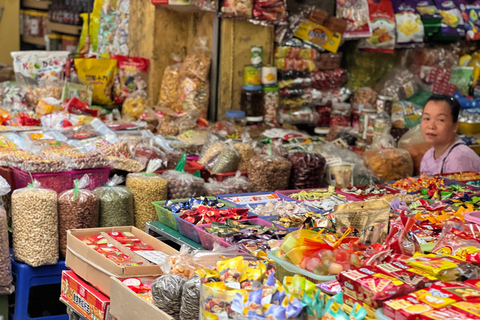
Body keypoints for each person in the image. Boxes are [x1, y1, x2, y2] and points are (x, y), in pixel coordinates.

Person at [420, 94, 480, 174]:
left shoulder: (459, 158)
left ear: (455, 126)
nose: (431, 126)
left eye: (440, 120)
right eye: (427, 118)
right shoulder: (428, 156)